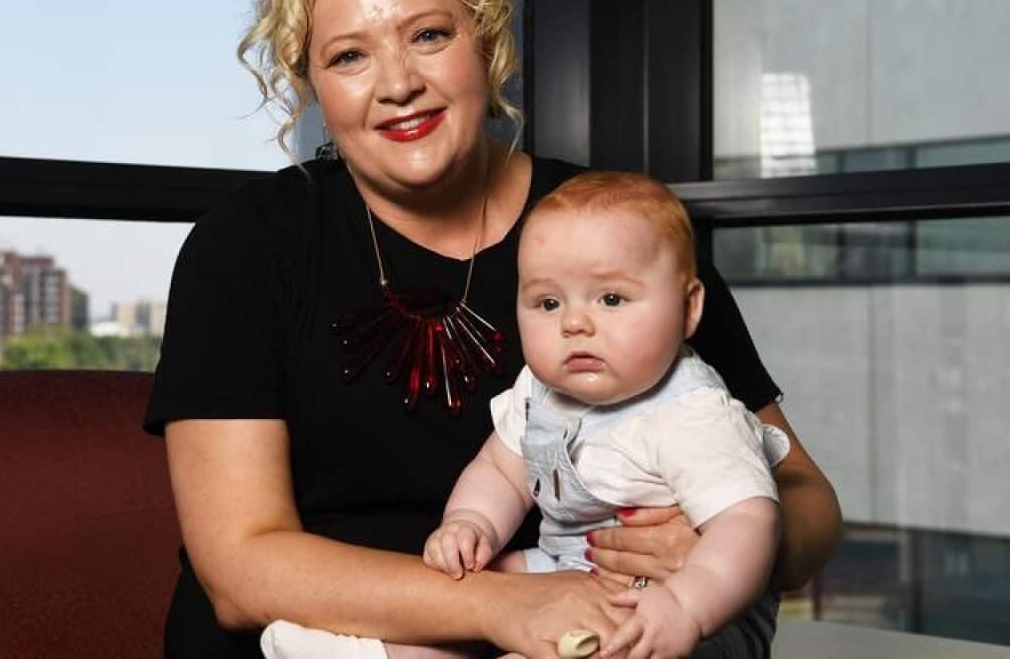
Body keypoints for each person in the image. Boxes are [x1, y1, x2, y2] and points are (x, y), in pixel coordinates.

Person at [143, 0, 843, 658]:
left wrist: (731, 538)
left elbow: (809, 501)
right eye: (349, 56)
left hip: (587, 634)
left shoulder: (618, 229)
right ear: (311, 83)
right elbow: (238, 568)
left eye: (428, 35)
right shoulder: (249, 243)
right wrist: (503, 605)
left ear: (485, 37)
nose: (397, 84)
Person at [260, 172, 786, 659]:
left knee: (606, 643)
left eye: (610, 298)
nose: (575, 323)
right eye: (548, 303)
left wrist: (688, 609)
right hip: (565, 566)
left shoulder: (693, 414)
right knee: (473, 589)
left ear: (689, 307)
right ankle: (376, 651)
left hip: (684, 609)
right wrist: (471, 522)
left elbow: (747, 522)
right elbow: (501, 471)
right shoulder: (539, 389)